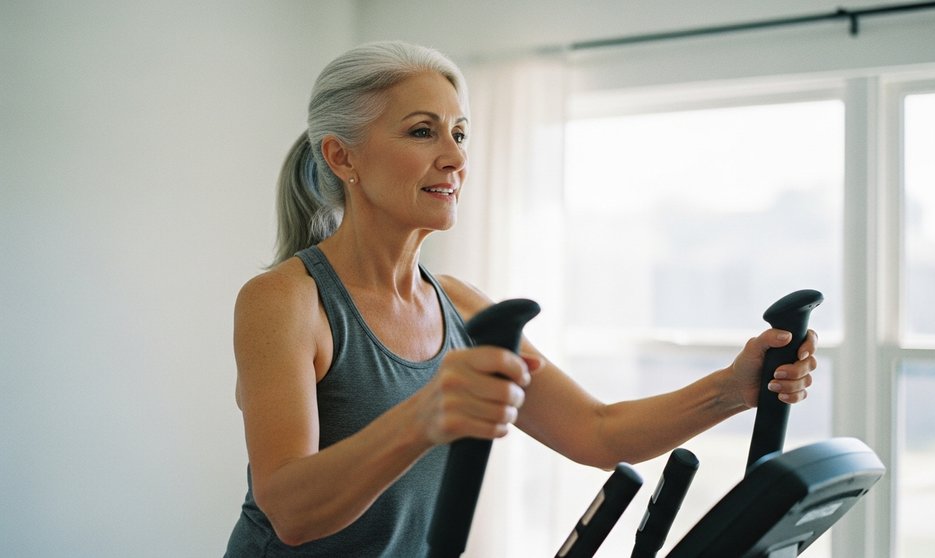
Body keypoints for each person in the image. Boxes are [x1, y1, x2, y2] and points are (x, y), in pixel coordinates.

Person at [224, 41, 817, 557]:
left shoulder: (463, 308)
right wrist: (424, 416)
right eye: (423, 131)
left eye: (459, 134)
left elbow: (597, 431)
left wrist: (731, 389)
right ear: (341, 156)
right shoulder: (287, 301)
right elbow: (291, 512)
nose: (456, 157)